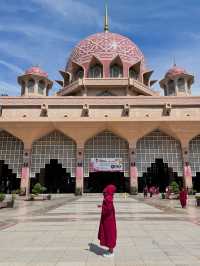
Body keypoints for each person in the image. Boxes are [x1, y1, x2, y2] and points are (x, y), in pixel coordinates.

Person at [98, 184, 117, 258]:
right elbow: (108, 208)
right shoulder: (109, 197)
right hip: (109, 220)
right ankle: (110, 249)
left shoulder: (108, 198)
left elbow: (108, 210)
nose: (104, 191)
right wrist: (102, 206)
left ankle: (111, 252)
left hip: (108, 220)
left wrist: (103, 208)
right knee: (108, 234)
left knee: (109, 234)